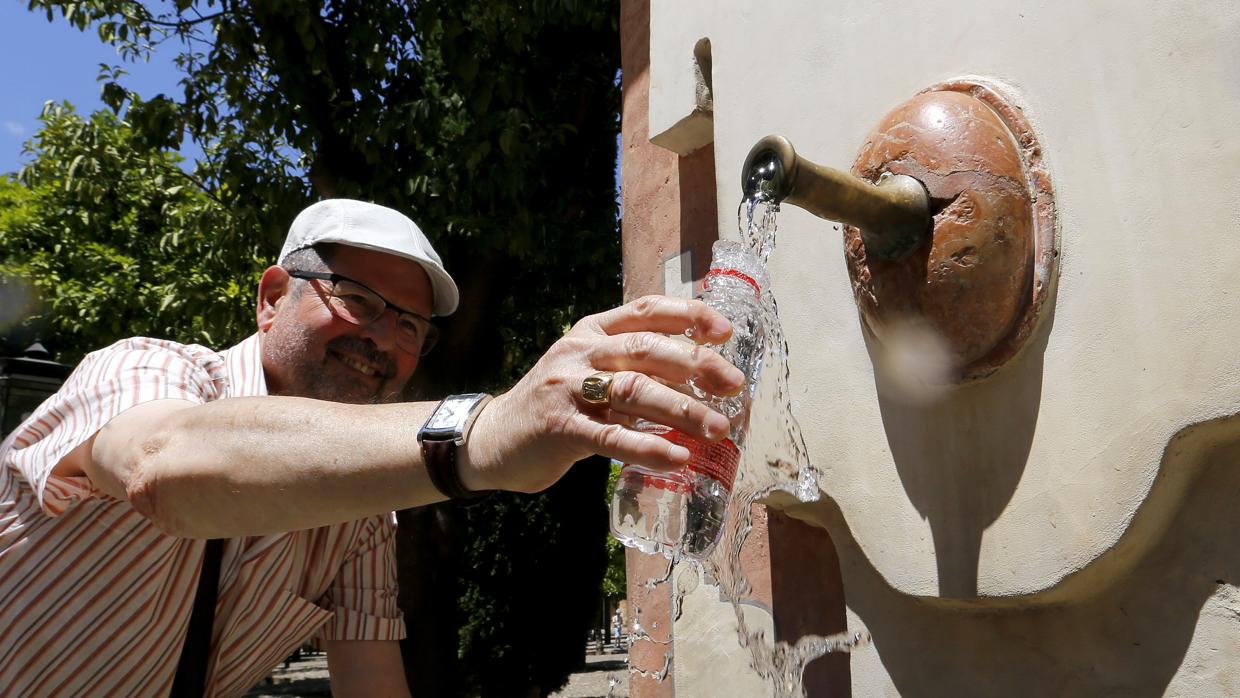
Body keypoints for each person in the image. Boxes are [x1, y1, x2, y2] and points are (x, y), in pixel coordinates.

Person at [0, 199, 744, 697]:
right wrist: (481, 433)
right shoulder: (145, 369)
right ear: (269, 298)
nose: (384, 340)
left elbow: (371, 681)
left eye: (412, 328)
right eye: (358, 300)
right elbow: (163, 469)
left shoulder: (359, 514)